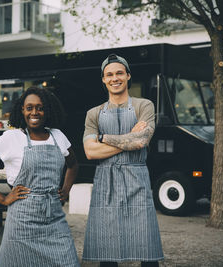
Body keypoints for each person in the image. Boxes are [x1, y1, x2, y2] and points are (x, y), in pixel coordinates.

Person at [0, 87, 80, 267]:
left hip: (54, 219)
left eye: (40, 108)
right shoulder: (11, 138)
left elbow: (73, 165)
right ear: (22, 110)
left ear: (47, 110)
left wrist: (65, 190)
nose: (34, 112)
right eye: (29, 108)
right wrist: (2, 198)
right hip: (22, 221)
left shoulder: (58, 136)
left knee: (68, 262)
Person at [82, 54, 164, 267]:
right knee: (107, 249)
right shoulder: (93, 114)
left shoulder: (144, 106)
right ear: (103, 79)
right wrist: (129, 137)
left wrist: (103, 138)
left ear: (128, 76)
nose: (114, 78)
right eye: (109, 74)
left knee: (146, 247)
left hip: (137, 178)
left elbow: (141, 141)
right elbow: (90, 152)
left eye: (119, 73)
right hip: (105, 181)